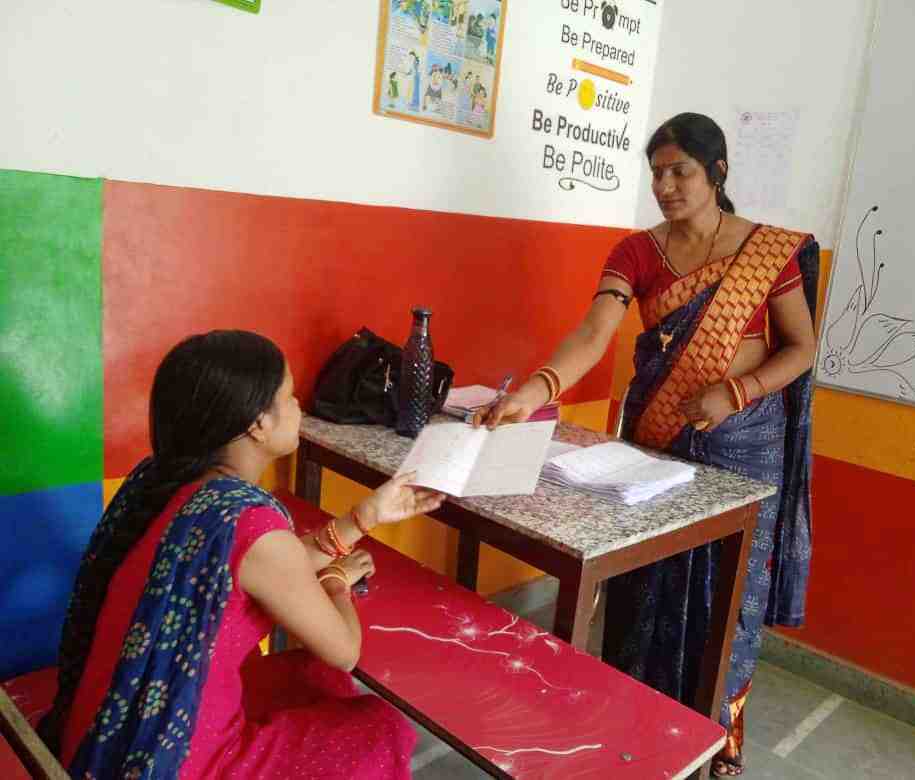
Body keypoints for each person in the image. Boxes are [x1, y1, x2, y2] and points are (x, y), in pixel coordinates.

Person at [474, 113, 819, 777]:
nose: (664, 185)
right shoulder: (636, 252)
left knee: (727, 595)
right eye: (656, 172)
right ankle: (638, 723)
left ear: (717, 172)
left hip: (744, 445)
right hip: (656, 440)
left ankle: (720, 733)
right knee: (646, 583)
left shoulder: (767, 252)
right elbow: (593, 331)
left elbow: (801, 346)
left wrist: (739, 391)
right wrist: (537, 389)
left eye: (679, 171)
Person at [38, 330, 445, 779]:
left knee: (314, 679)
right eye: (289, 397)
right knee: (379, 726)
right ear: (257, 423)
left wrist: (365, 516)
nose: (299, 407)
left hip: (111, 731)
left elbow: (263, 566)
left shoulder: (166, 481)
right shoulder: (248, 522)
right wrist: (334, 584)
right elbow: (344, 650)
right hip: (172, 760)